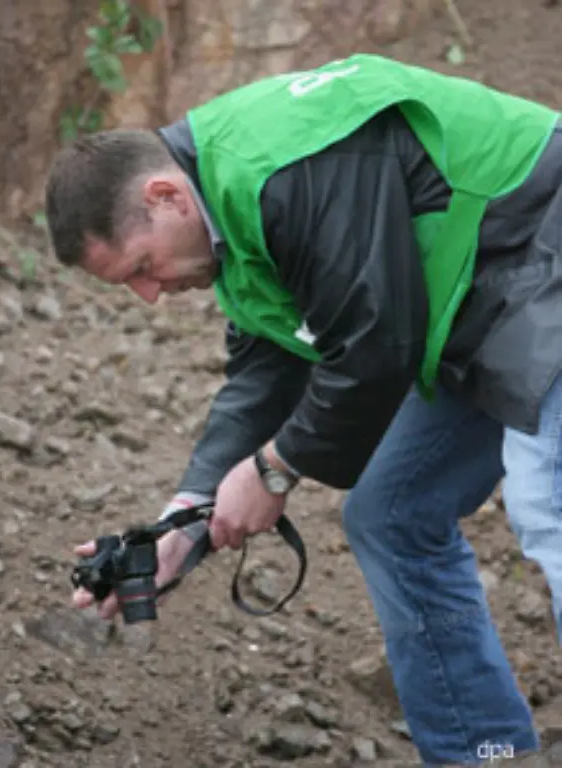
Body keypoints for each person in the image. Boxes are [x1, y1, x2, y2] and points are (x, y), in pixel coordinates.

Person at [44, 53, 562, 766]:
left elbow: (376, 341)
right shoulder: (226, 219)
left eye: (141, 267)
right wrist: (183, 520)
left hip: (541, 248)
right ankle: (481, 753)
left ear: (166, 196)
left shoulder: (280, 165)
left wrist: (276, 469)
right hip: (480, 310)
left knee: (551, 507)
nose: (150, 293)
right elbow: (266, 374)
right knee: (390, 513)